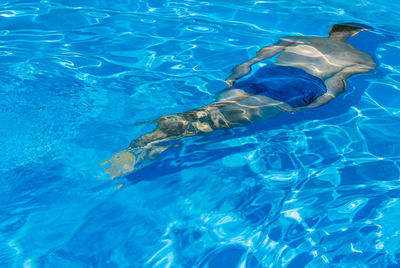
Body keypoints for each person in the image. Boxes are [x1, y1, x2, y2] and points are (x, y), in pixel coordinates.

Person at [100, 23, 376, 179]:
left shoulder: (294, 38)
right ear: (355, 35)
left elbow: (251, 61)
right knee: (219, 124)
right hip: (298, 85)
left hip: (268, 74)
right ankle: (145, 156)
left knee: (207, 111)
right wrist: (308, 107)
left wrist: (233, 78)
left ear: (331, 30)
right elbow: (334, 87)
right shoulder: (363, 60)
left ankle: (144, 141)